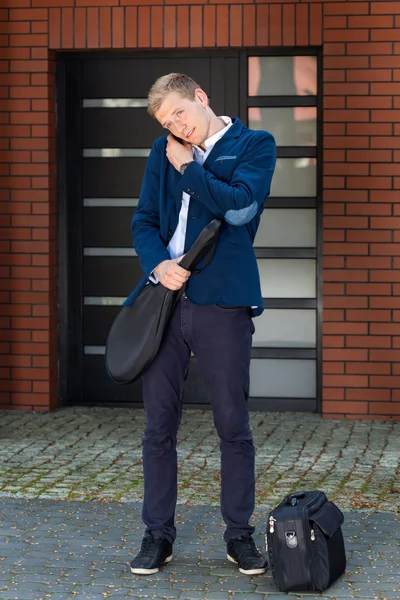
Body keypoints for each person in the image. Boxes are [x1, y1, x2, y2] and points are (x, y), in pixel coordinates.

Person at [126, 73, 276, 576]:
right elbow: (144, 220)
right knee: (158, 428)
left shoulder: (254, 144)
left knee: (232, 426)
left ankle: (240, 537)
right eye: (168, 123)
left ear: (201, 97)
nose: (177, 127)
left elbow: (238, 212)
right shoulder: (160, 151)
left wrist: (190, 168)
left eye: (180, 115)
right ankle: (157, 535)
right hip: (165, 303)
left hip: (222, 305)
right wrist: (157, 264)